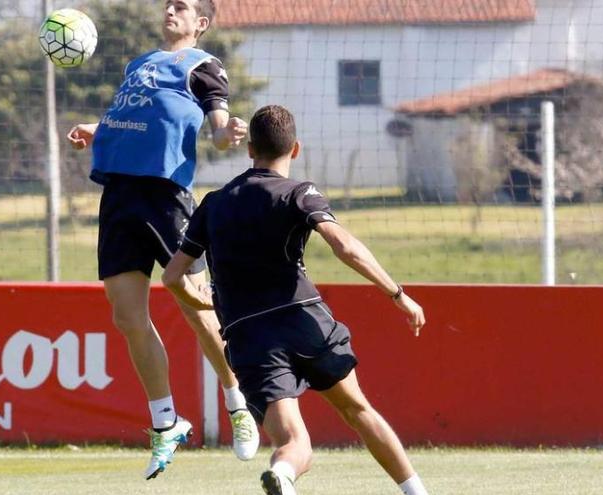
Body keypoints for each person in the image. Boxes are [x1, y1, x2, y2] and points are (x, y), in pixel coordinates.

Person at [162, 105, 430, 495]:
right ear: (296, 149)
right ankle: (416, 492)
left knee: (293, 441)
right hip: (306, 322)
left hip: (250, 337)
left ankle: (285, 473)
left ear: (250, 149)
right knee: (358, 410)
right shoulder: (299, 193)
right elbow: (345, 246)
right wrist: (398, 294)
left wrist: (206, 301)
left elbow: (172, 277)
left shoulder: (214, 204)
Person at [66, 0, 259, 479]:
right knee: (127, 316)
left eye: (182, 6)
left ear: (201, 24)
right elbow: (136, 117)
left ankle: (239, 402)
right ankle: (165, 422)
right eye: (169, 4)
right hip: (118, 194)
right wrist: (99, 127)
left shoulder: (204, 66)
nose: (171, 10)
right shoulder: (141, 63)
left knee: (195, 302)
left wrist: (227, 133)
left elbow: (215, 130)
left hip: (166, 196)